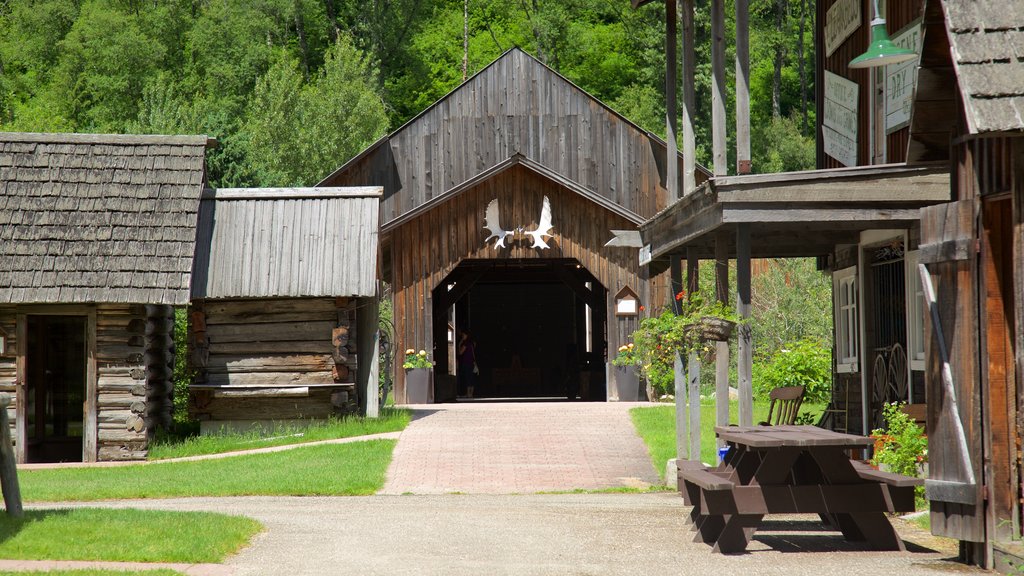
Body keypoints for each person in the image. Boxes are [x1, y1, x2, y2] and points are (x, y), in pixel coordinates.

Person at [457, 330, 476, 399]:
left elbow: (460, 353)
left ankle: (468, 394)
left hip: (466, 362)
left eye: (464, 335)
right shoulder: (472, 343)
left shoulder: (466, 343)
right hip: (472, 362)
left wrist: (459, 345)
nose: (463, 336)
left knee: (468, 377)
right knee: (471, 377)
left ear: (467, 335)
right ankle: (471, 393)